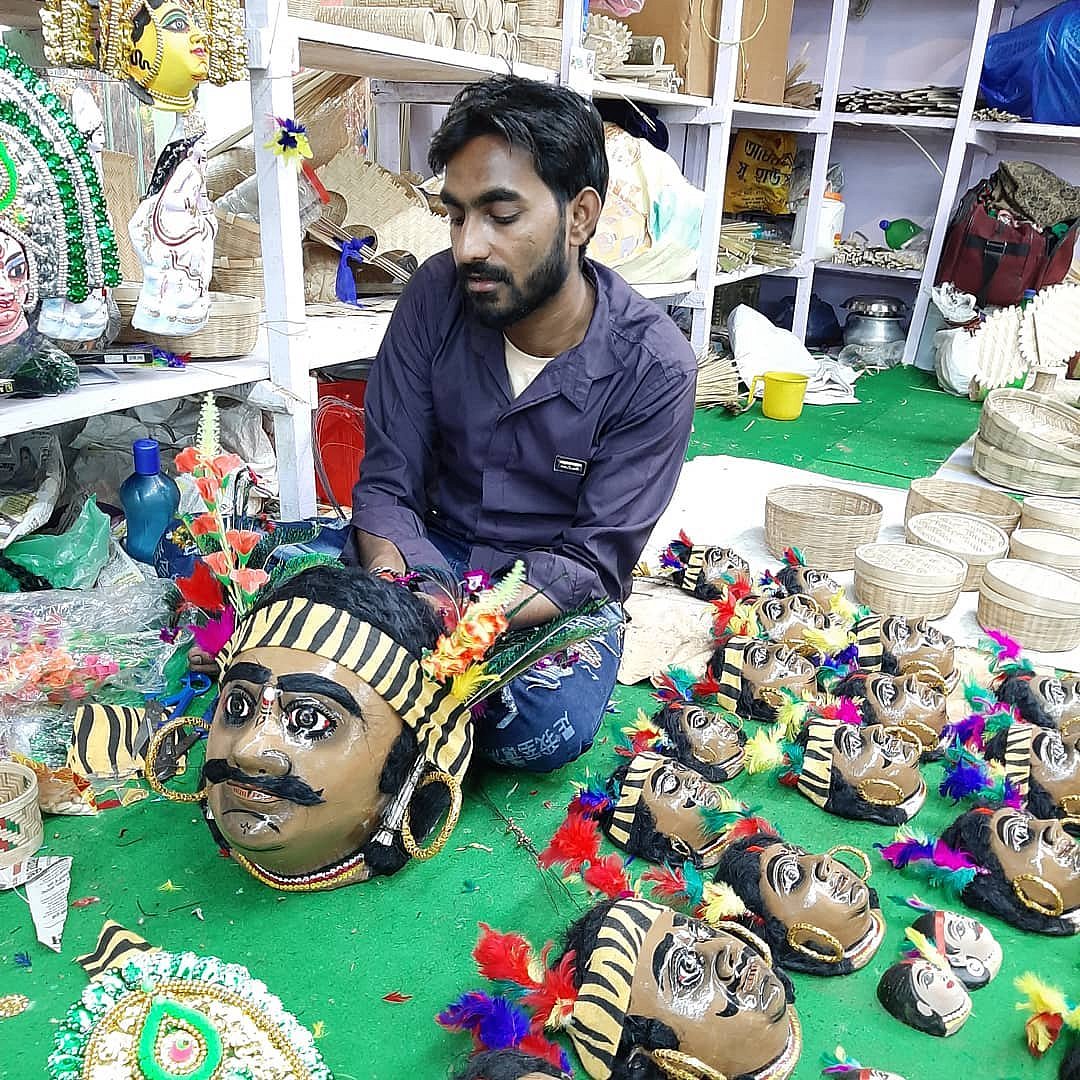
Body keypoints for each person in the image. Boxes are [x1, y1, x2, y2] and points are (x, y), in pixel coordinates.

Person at [351, 76, 696, 773]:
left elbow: (592, 560)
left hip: (546, 597)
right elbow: (388, 484)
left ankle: (391, 713)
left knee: (542, 722)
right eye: (455, 215)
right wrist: (411, 600)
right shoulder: (434, 296)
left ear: (580, 216)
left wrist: (475, 622)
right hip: (429, 556)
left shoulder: (657, 367)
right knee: (277, 602)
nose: (468, 245)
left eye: (500, 215)